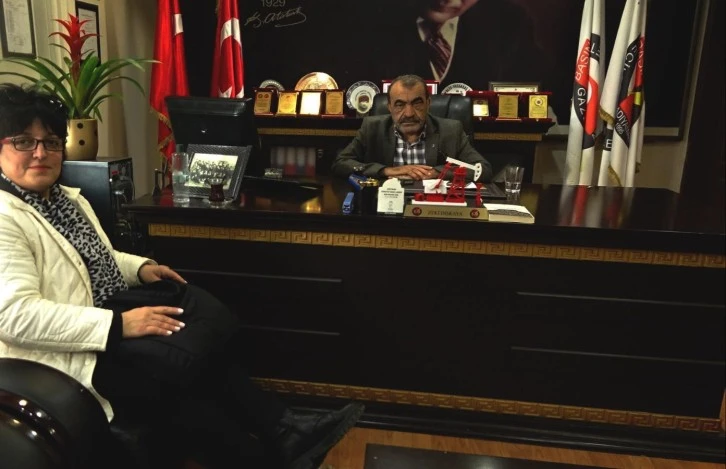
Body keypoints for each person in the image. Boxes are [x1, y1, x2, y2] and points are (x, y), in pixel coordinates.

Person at [0, 83, 363, 469]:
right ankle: (272, 453)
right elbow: (14, 316)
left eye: (51, 142)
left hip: (107, 321)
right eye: (24, 142)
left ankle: (287, 430)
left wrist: (140, 268)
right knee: (176, 386)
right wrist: (118, 325)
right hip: (64, 352)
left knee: (199, 349)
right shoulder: (6, 217)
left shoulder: (64, 199)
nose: (40, 153)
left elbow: (93, 259)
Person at [332, 74, 493, 181]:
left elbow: (483, 170)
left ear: (428, 104)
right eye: (399, 105)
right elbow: (340, 164)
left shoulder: (451, 130)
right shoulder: (372, 127)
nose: (409, 113)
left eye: (417, 103)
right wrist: (386, 170)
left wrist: (437, 172)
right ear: (389, 107)